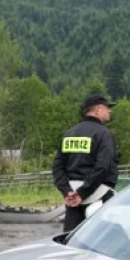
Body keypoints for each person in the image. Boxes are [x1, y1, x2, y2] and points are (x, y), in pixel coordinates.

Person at [52, 93, 120, 232]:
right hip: (99, 194)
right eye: (107, 108)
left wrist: (67, 191)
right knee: (101, 239)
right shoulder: (103, 134)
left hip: (72, 198)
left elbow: (58, 166)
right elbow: (103, 167)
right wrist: (83, 193)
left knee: (71, 239)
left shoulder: (69, 133)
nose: (110, 111)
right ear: (98, 110)